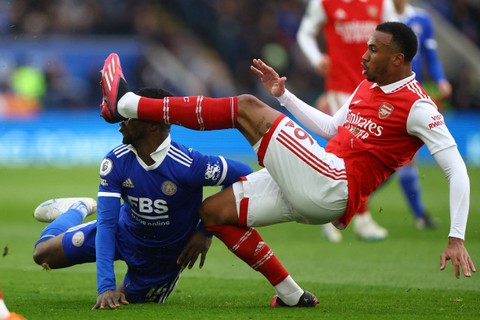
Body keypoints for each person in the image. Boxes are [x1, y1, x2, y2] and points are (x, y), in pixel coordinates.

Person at [99, 21, 475, 294]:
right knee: (213, 213)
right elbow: (330, 129)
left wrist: (456, 237)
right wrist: (285, 96)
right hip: (316, 183)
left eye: (373, 50)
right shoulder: (367, 86)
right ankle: (291, 293)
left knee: (246, 107)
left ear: (398, 59)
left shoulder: (419, 107)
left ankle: (128, 104)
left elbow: (456, 168)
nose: (364, 55)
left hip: (334, 181)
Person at [32, 87, 270, 310]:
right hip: (123, 233)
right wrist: (105, 286)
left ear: (153, 126)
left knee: (129, 300)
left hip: (164, 255)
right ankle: (77, 208)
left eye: (129, 117)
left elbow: (244, 173)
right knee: (42, 254)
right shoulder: (115, 161)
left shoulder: (190, 164)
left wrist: (206, 230)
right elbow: (107, 224)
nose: (120, 125)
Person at [295, 0, 399, 242]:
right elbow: (305, 33)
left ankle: (330, 210)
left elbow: (399, 37)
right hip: (341, 85)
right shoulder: (325, 3)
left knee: (368, 154)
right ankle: (360, 220)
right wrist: (315, 58)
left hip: (375, 86)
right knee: (351, 149)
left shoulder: (381, 4)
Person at [392, 0, 452, 229]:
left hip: (410, 96)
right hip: (383, 94)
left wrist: (441, 80)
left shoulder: (422, 19)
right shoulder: (378, 16)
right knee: (395, 158)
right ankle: (355, 206)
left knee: (403, 157)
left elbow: (430, 55)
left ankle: (419, 215)